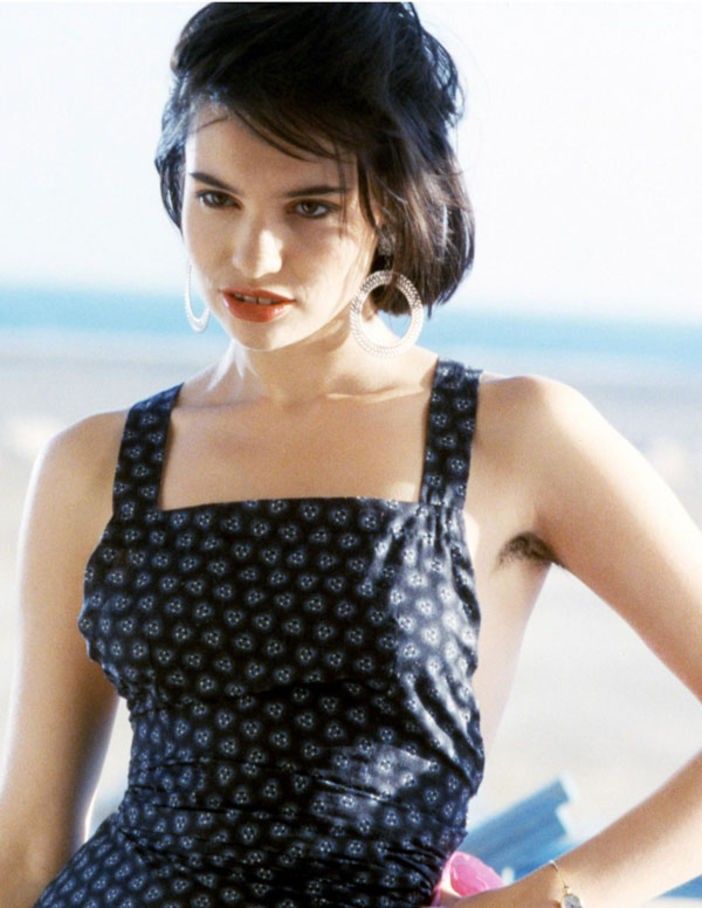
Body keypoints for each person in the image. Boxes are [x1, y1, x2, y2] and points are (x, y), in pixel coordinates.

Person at [0, 3, 700, 906]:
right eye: (216, 197)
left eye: (310, 207)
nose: (252, 252)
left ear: (390, 203)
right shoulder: (95, 463)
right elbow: (29, 847)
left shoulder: (515, 435)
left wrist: (553, 896)